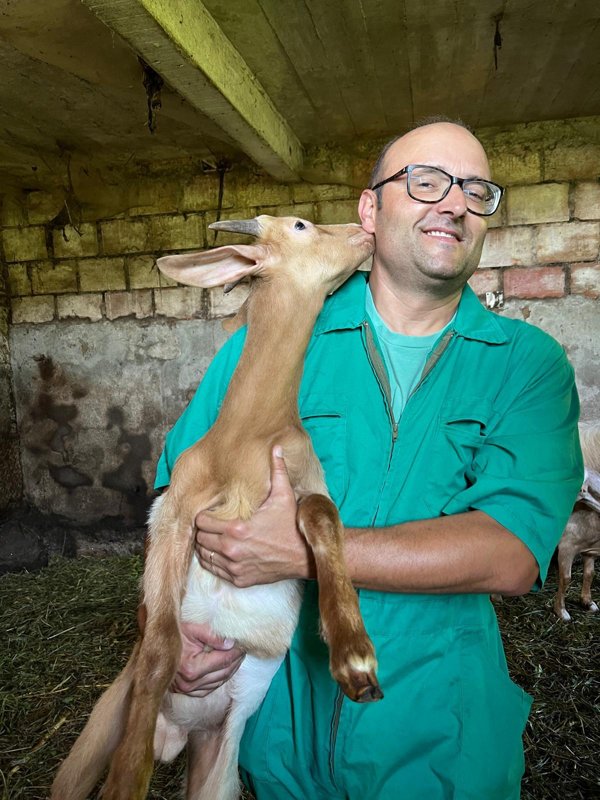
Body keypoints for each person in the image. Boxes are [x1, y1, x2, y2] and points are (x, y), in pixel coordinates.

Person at [155, 121, 583, 799]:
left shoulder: (525, 365)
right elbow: (178, 499)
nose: (454, 203)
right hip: (277, 731)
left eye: (477, 191)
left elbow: (511, 554)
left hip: (437, 745)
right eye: (425, 181)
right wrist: (177, 635)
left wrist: (303, 553)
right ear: (370, 209)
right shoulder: (269, 344)